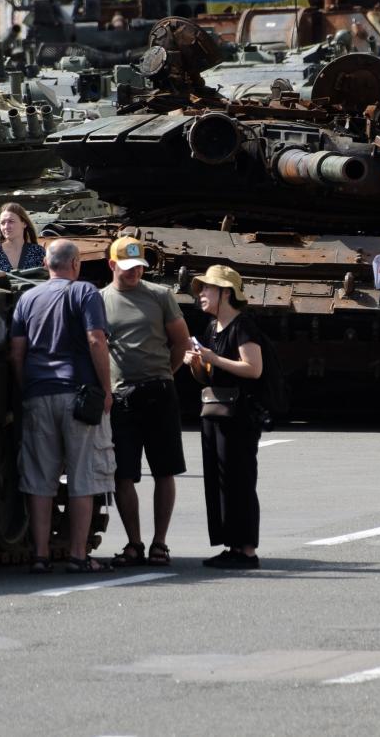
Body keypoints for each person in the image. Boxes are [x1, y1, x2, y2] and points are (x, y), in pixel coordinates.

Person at [8, 239, 115, 574]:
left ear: (45, 263)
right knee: (83, 476)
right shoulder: (85, 293)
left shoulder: (27, 298)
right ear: (76, 263)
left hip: (39, 393)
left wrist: (28, 386)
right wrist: (106, 388)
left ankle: (40, 555)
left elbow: (16, 352)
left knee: (40, 479)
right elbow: (96, 340)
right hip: (79, 395)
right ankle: (78, 555)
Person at [102, 236, 193, 569]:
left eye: (139, 267)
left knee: (164, 470)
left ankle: (159, 543)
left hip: (158, 393)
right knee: (123, 475)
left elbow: (181, 343)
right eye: (127, 268)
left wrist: (164, 374)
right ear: (112, 265)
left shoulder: (160, 296)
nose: (134, 273)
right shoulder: (100, 300)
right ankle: (134, 543)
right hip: (121, 397)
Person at [184, 265, 264, 570]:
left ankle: (246, 550)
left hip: (240, 414)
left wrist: (213, 357)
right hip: (216, 411)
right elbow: (207, 378)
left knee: (240, 480)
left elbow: (253, 368)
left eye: (208, 288)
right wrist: (195, 362)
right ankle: (230, 544)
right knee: (220, 481)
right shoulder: (212, 328)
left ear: (226, 292)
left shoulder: (243, 326)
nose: (201, 294)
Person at [0, 202, 46, 273]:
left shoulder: (38, 252)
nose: (6, 227)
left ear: (24, 223)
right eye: (3, 223)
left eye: (11, 221)